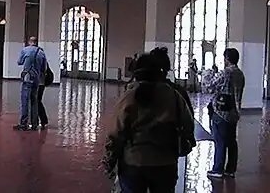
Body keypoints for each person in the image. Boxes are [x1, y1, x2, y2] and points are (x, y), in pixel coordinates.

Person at [104, 53, 195, 193]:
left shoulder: (130, 96)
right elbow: (188, 125)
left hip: (134, 161)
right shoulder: (173, 96)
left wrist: (110, 158)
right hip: (165, 162)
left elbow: (117, 131)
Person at [203, 48, 243, 179]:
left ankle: (218, 169)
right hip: (234, 113)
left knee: (219, 141)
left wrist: (207, 74)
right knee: (232, 141)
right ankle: (230, 169)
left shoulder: (226, 73)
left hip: (221, 113)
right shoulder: (240, 74)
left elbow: (209, 86)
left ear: (227, 59)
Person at [14, 37, 47, 131]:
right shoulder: (41, 52)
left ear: (29, 42)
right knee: (34, 101)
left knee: (25, 101)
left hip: (27, 78)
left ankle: (23, 124)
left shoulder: (25, 50)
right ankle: (34, 124)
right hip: (37, 79)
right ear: (36, 43)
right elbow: (44, 68)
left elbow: (19, 62)